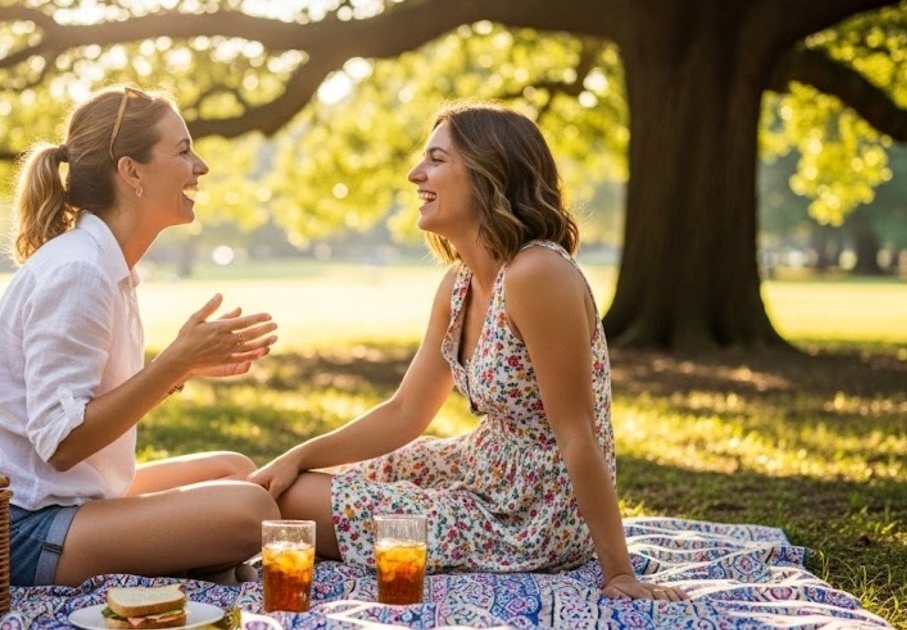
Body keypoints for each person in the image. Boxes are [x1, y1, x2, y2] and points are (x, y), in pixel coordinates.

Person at [249, 102, 689, 602]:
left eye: (436, 160)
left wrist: (619, 573)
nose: (416, 174)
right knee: (291, 479)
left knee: (293, 500)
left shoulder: (538, 274)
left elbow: (578, 434)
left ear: (488, 173)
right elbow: (405, 411)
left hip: (533, 513)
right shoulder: (458, 285)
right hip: (479, 467)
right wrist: (298, 453)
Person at [0, 85, 281, 588]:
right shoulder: (80, 270)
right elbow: (61, 442)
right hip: (11, 526)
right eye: (183, 151)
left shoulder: (104, 263)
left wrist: (177, 370)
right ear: (131, 171)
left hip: (61, 498)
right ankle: (189, 559)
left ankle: (183, 557)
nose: (201, 166)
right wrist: (174, 365)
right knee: (251, 509)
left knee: (236, 470)